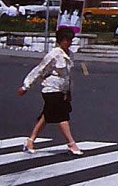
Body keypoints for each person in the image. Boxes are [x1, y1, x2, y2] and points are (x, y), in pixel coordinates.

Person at [17, 26, 84, 156]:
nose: (69, 43)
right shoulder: (54, 54)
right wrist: (26, 86)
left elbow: (67, 76)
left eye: (70, 40)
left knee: (46, 116)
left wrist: (68, 92)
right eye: (66, 40)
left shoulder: (70, 55)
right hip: (50, 89)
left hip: (61, 90)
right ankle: (71, 143)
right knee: (62, 116)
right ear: (60, 40)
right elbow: (39, 70)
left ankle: (30, 141)